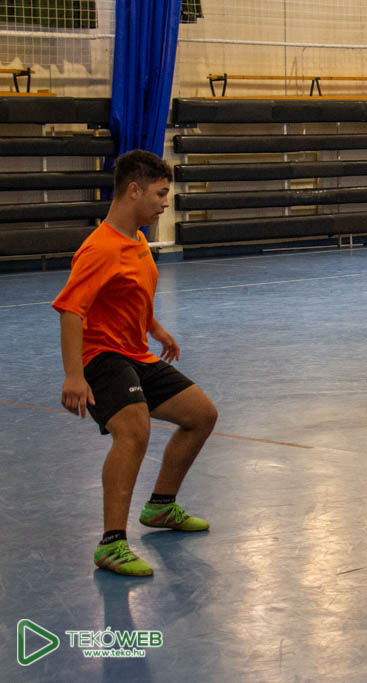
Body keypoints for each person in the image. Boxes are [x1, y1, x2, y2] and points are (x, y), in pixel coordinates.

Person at [53, 150, 218, 576]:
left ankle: (161, 506)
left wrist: (154, 327)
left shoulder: (139, 240)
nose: (165, 202)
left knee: (201, 415)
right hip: (100, 356)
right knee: (134, 429)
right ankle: (111, 544)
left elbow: (131, 295)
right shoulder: (99, 249)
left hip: (134, 351)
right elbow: (71, 311)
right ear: (133, 191)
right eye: (160, 194)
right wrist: (74, 375)